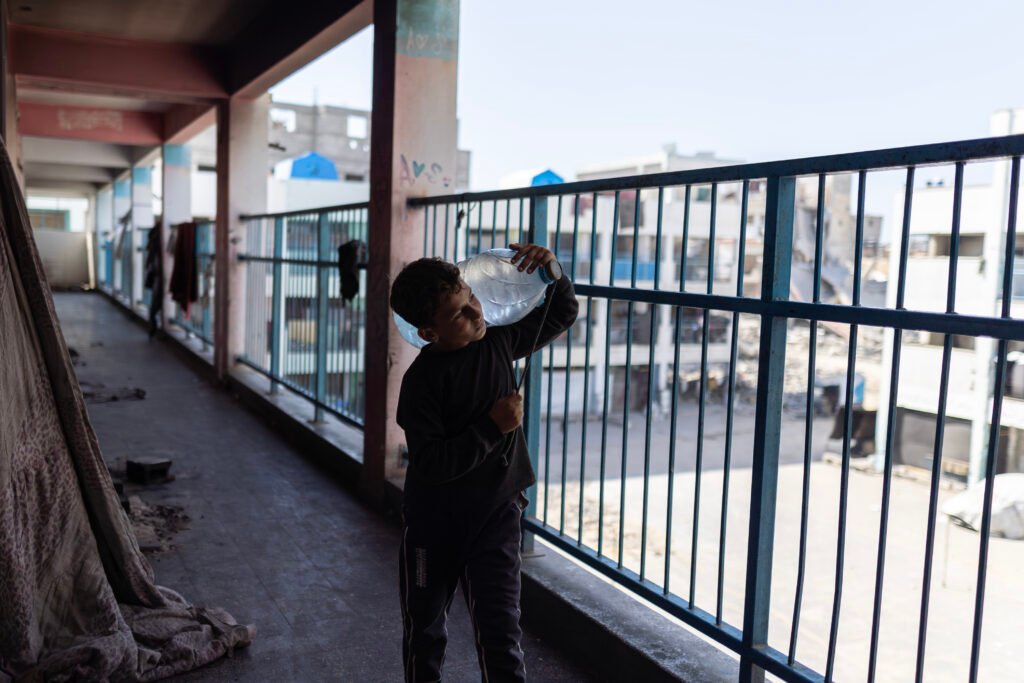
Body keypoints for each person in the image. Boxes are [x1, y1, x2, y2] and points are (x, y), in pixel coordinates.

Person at [390, 243, 578, 682]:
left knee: (501, 634)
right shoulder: (420, 384)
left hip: (496, 515)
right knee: (424, 630)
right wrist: (493, 427)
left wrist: (551, 269)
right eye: (458, 313)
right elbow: (431, 463)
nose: (476, 312)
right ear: (429, 333)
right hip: (433, 526)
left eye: (471, 296)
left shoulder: (498, 340)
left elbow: (560, 313)